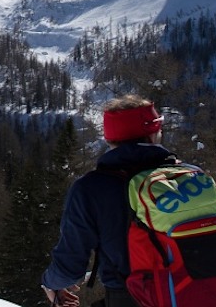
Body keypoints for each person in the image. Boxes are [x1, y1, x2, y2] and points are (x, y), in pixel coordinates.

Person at [40, 94, 177, 307]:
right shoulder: (188, 178)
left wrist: (51, 283)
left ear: (110, 139)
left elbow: (70, 267)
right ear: (154, 135)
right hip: (198, 294)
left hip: (133, 299)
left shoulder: (92, 189)